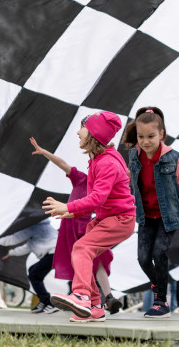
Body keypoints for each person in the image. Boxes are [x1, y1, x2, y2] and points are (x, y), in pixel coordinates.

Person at [44, 111, 136, 323]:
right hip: (107, 218)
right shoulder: (99, 159)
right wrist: (69, 211)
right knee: (85, 252)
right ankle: (95, 306)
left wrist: (67, 206)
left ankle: (82, 296)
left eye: (82, 127)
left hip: (120, 219)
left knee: (82, 248)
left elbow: (96, 199)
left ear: (94, 133)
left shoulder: (107, 163)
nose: (78, 131)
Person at [121, 107, 179, 318]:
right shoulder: (134, 156)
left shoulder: (175, 159)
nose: (145, 141)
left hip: (168, 217)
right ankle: (159, 287)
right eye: (141, 136)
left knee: (159, 253)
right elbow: (126, 177)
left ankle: (161, 302)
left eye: (151, 136)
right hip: (146, 217)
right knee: (142, 258)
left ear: (162, 134)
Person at [29, 137, 121, 314]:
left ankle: (105, 297)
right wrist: (44, 152)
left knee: (95, 258)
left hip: (86, 225)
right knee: (81, 261)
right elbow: (62, 163)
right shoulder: (81, 178)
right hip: (72, 226)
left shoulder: (101, 183)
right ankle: (87, 296)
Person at [0, 219, 57, 313]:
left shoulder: (36, 226)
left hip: (54, 254)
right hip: (53, 254)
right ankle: (44, 300)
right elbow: (28, 247)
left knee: (34, 275)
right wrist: (11, 253)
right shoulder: (38, 228)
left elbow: (14, 239)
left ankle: (48, 302)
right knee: (32, 271)